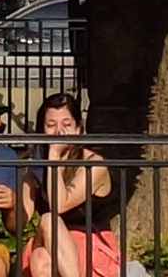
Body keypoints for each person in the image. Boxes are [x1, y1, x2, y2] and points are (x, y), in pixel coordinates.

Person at [26, 94, 122, 277]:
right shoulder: (36, 168)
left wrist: (54, 155)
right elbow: (20, 219)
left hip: (87, 243)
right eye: (51, 125)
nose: (59, 132)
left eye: (67, 125)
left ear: (78, 129)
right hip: (47, 245)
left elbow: (59, 205)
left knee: (48, 220)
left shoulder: (94, 164)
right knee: (39, 256)